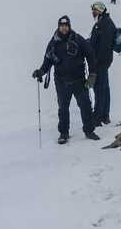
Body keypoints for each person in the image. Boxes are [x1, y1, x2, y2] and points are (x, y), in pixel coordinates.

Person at [32, 15, 99, 144]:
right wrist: (41, 72)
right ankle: (63, 133)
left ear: (69, 26)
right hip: (61, 81)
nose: (64, 28)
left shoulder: (78, 39)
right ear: (59, 27)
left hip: (79, 80)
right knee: (63, 108)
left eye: (66, 26)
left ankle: (89, 130)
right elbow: (47, 61)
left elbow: (90, 54)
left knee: (85, 105)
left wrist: (92, 74)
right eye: (61, 26)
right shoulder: (53, 42)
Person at [88, 1, 116, 126]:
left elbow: (103, 46)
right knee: (104, 87)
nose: (92, 12)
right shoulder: (104, 22)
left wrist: (96, 60)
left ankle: (98, 117)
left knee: (100, 88)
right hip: (103, 61)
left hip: (101, 62)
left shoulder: (104, 24)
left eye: (94, 9)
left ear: (100, 10)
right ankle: (105, 115)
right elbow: (97, 41)